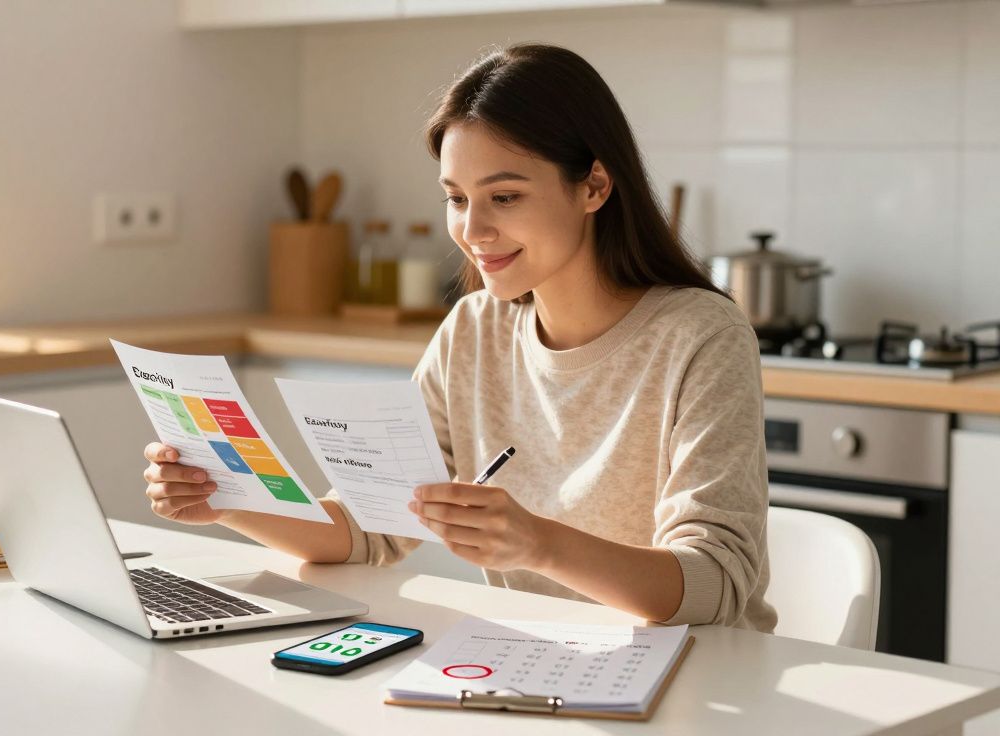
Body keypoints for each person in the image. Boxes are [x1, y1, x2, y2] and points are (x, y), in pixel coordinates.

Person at [142, 42, 776, 631]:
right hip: (541, 664)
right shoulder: (474, 330)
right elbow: (373, 531)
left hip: (697, 678)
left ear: (594, 186)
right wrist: (225, 501)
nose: (472, 229)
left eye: (503, 196)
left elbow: (715, 585)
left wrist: (539, 543)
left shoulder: (700, 336)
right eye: (456, 198)